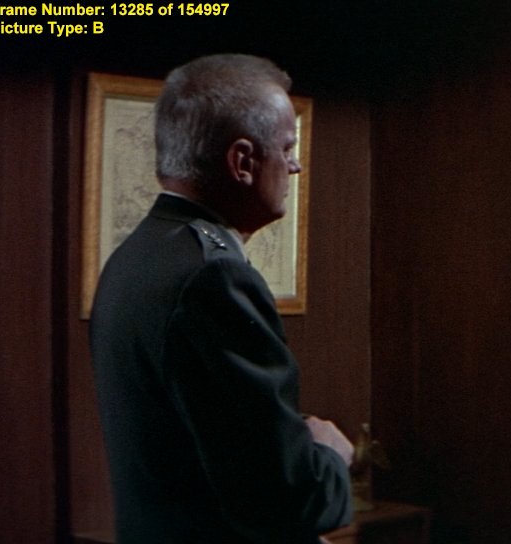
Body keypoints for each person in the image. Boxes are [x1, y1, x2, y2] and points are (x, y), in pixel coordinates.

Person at [90, 54, 353, 543]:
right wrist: (330, 455)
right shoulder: (214, 278)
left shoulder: (135, 256)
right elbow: (286, 496)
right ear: (243, 162)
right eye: (287, 147)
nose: (295, 166)